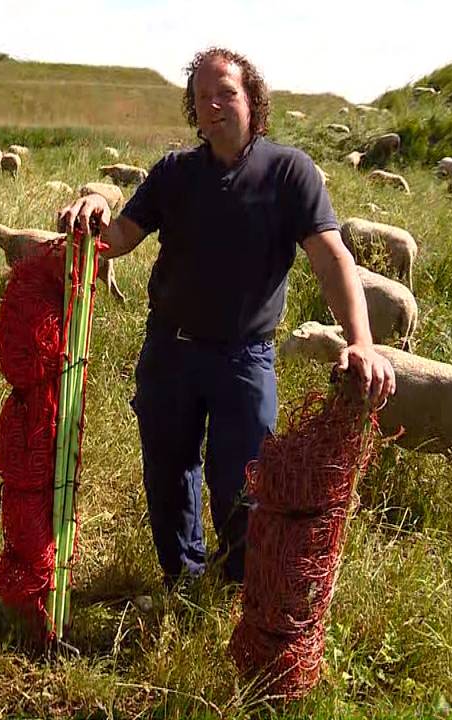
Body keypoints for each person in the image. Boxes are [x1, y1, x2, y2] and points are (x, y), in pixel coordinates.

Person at [56, 47, 395, 588]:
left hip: (245, 357)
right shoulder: (174, 172)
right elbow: (121, 237)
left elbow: (332, 258)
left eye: (226, 94)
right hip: (169, 350)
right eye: (201, 98)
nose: (213, 106)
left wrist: (361, 341)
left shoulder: (289, 172)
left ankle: (238, 586)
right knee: (168, 473)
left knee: (244, 481)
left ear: (253, 100)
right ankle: (182, 577)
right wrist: (96, 213)